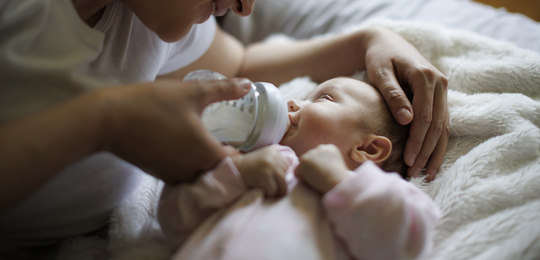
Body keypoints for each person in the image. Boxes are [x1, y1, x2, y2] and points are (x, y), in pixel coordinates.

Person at [0, 0, 448, 250]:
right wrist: (106, 122)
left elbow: (237, 68)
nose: (247, 3)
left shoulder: (154, 0)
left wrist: (366, 41)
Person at [158, 78, 440, 259]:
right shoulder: (250, 166)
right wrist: (237, 172)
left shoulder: (374, 197)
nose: (293, 102)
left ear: (367, 150)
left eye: (323, 99)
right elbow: (174, 220)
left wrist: (340, 182)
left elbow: (406, 246)